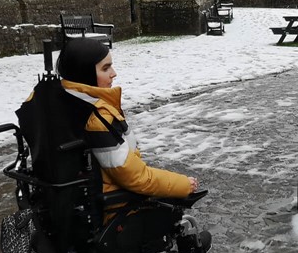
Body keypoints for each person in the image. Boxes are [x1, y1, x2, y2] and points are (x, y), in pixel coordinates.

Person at [56, 37, 199, 197]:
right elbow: (135, 178)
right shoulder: (97, 118)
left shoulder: (60, 100)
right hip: (110, 202)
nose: (113, 74)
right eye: (105, 68)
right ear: (85, 73)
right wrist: (184, 184)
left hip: (74, 196)